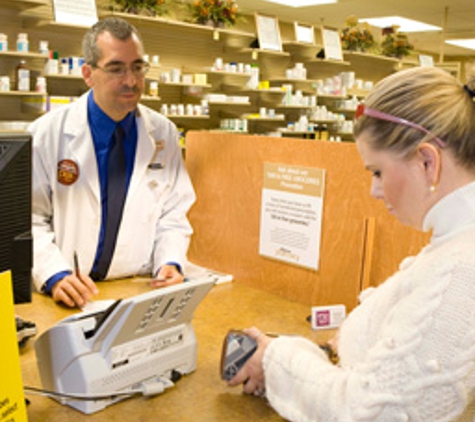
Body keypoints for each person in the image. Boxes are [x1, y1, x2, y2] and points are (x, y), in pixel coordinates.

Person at [228, 65, 475, 421]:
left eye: (377, 172)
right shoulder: (453, 241)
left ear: (427, 161)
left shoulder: (460, 271)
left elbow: (364, 413)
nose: (374, 190)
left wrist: (276, 357)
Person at [29, 17, 195, 308]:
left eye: (138, 67)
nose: (131, 81)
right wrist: (53, 273)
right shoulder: (46, 134)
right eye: (116, 69)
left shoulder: (164, 133)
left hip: (137, 291)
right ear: (88, 74)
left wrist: (170, 261)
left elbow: (173, 213)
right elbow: (29, 220)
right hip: (70, 293)